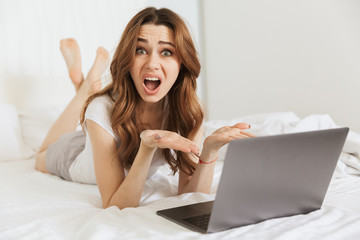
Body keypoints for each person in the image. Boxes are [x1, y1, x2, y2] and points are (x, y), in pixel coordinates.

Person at [35, 7, 254, 209]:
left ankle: (88, 86)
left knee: (96, 110)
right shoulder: (100, 110)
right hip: (79, 158)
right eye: (140, 50)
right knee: (40, 156)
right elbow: (115, 205)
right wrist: (146, 148)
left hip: (103, 136)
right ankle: (84, 89)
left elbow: (190, 194)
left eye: (166, 52)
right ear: (127, 60)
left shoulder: (189, 110)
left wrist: (210, 151)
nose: (152, 63)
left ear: (182, 63)